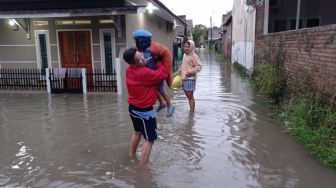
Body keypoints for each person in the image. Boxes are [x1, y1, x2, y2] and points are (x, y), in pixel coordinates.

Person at [123, 47, 168, 167]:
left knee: (137, 132)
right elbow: (162, 74)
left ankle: (131, 156)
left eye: (141, 55)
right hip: (145, 113)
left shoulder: (129, 70)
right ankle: (142, 169)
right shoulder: (144, 73)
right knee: (150, 139)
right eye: (139, 59)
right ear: (133, 63)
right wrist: (159, 62)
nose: (143, 59)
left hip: (133, 109)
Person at [132, 29, 175, 117]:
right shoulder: (142, 49)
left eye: (138, 41)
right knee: (154, 88)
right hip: (153, 72)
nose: (136, 43)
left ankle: (170, 105)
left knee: (160, 88)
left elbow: (148, 62)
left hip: (158, 71)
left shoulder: (150, 49)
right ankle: (162, 103)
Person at [179, 40, 202, 112]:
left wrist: (191, 72)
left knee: (190, 95)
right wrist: (180, 69)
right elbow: (184, 64)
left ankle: (192, 113)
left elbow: (199, 66)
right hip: (184, 77)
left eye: (188, 47)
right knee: (187, 95)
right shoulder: (184, 55)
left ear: (191, 47)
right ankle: (191, 111)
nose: (186, 48)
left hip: (191, 79)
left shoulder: (194, 56)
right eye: (185, 46)